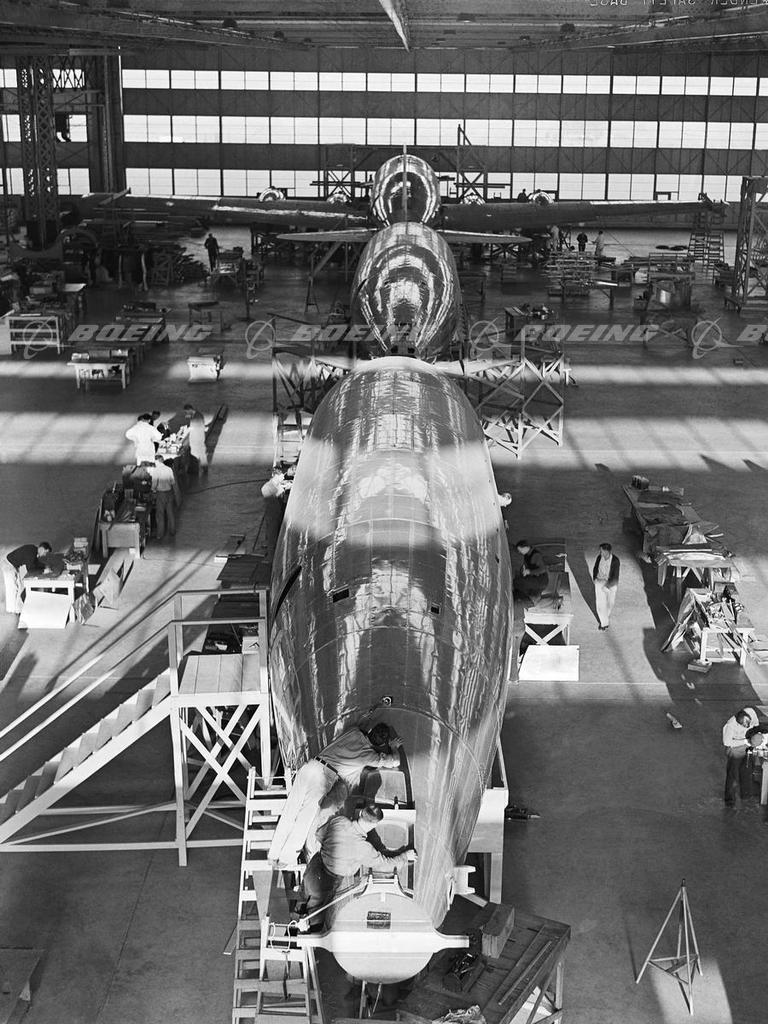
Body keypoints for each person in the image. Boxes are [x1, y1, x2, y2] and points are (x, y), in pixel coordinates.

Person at [268, 721, 402, 869]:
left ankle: (273, 854)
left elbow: (363, 729)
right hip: (323, 778)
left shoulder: (354, 732)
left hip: (310, 766)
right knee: (305, 817)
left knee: (290, 809)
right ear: (381, 744)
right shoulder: (370, 756)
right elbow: (395, 761)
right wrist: (393, 747)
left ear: (370, 731)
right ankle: (286, 858)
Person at [303, 804, 410, 914]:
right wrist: (405, 856)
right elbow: (385, 866)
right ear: (375, 825)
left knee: (301, 904)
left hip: (313, 869)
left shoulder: (339, 820)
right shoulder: (363, 848)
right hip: (325, 884)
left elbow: (319, 835)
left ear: (360, 813)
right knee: (314, 918)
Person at [722, 707, 759, 806]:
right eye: (744, 725)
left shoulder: (751, 713)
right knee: (732, 775)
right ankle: (729, 799)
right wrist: (745, 741)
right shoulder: (730, 725)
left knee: (747, 771)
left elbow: (756, 727)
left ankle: (746, 795)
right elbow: (727, 742)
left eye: (748, 723)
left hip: (747, 746)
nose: (747, 726)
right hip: (734, 748)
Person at [4, 542, 52, 613]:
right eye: (45, 552)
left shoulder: (33, 551)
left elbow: (35, 563)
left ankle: (17, 609)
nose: (45, 555)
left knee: (18, 586)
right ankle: (12, 611)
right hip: (8, 564)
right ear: (41, 549)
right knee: (12, 588)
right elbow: (30, 569)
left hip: (13, 565)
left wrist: (45, 566)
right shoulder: (31, 552)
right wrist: (44, 570)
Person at [151, 455, 181, 540]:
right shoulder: (169, 469)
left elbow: (154, 484)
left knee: (160, 514)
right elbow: (172, 482)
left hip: (161, 494)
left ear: (157, 461)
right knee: (170, 513)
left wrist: (153, 490)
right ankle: (172, 531)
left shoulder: (156, 470)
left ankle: (160, 534)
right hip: (169, 493)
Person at [592, 543, 620, 631]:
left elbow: (615, 576)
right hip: (600, 581)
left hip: (610, 583)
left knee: (610, 603)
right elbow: (595, 568)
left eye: (602, 551)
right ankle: (604, 623)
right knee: (600, 604)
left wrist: (607, 586)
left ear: (607, 551)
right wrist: (595, 578)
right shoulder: (599, 557)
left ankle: (605, 618)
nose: (600, 552)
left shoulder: (615, 561)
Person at [512, 540, 548, 606]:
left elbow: (543, 569)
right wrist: (524, 569)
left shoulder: (536, 555)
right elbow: (528, 565)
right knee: (518, 581)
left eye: (520, 550)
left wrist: (529, 572)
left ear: (525, 547)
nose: (519, 552)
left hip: (541, 580)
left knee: (517, 582)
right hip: (534, 578)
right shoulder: (526, 555)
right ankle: (524, 597)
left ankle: (530, 601)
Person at [182, 404, 208, 473]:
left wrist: (187, 430)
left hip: (197, 439)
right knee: (201, 453)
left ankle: (195, 471)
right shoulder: (196, 415)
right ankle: (204, 469)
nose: (186, 413)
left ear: (189, 409)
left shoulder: (197, 417)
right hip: (199, 438)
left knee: (195, 454)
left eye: (186, 412)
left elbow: (195, 428)